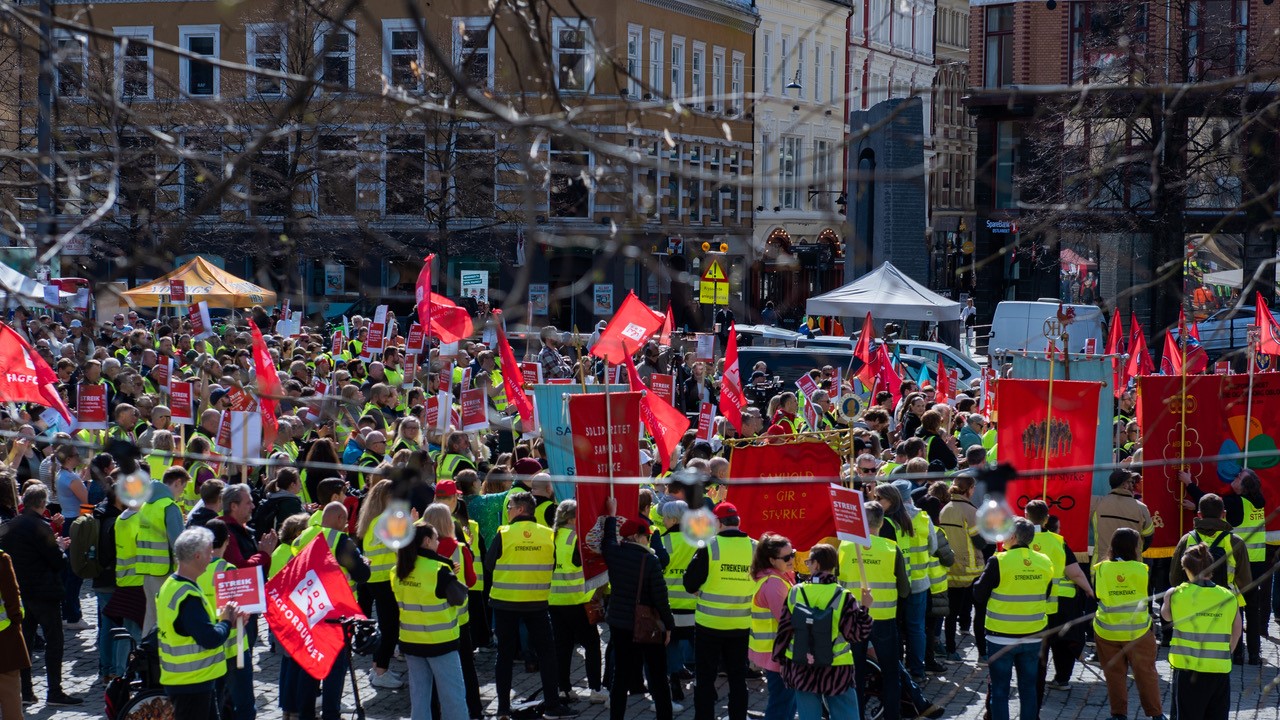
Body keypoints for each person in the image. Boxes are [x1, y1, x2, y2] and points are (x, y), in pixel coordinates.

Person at [839, 500, 941, 720]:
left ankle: (855, 715)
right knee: (890, 672)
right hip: (884, 618)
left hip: (854, 619)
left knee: (855, 672)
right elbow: (905, 588)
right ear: (882, 522)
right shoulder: (890, 548)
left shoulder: (845, 547)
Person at [484, 491, 572, 719]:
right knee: (546, 653)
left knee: (504, 655)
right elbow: (551, 566)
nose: (508, 510)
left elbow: (489, 565)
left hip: (505, 603)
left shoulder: (504, 533)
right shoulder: (547, 534)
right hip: (537, 603)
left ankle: (503, 708)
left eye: (510, 507)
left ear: (521, 509)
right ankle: (552, 705)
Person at [1, 483, 81, 706]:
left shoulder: (11, 525)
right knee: (54, 641)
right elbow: (56, 562)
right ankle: (54, 691)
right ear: (42, 503)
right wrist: (61, 550)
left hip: (22, 593)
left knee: (25, 643)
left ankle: (26, 692)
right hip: (45, 594)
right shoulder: (41, 527)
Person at [773, 543, 872, 719]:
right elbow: (856, 634)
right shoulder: (844, 595)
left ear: (817, 564)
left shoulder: (796, 592)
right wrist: (865, 608)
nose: (807, 565)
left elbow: (784, 631)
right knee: (846, 714)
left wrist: (781, 660)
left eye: (809, 561)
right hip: (837, 667)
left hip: (802, 664)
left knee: (808, 715)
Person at [1180, 467, 1266, 662]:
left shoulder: (1236, 502)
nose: (1234, 478)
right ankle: (1254, 654)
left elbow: (1210, 503)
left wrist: (1189, 483)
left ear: (1244, 487)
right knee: (1253, 608)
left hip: (1239, 563)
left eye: (1239, 477)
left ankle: (1236, 653)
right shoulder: (1257, 502)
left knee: (1236, 608)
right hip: (1258, 561)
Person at [157, 527, 243, 720]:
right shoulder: (188, 596)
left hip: (186, 680)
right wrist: (226, 622)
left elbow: (192, 627)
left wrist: (224, 623)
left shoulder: (172, 584)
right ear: (197, 556)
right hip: (192, 682)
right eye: (208, 552)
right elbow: (210, 638)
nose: (211, 556)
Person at [973, 518, 1054, 720]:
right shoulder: (1044, 561)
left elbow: (978, 595)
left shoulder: (998, 561)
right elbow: (1046, 592)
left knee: (999, 691)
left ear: (1013, 536)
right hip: (1033, 635)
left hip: (1001, 636)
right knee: (1028, 689)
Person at [600, 498, 674, 720]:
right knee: (659, 677)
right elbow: (661, 599)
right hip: (647, 627)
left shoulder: (613, 553)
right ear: (638, 537)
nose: (649, 539)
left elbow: (607, 539)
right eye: (647, 536)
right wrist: (668, 626)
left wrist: (611, 515)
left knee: (620, 678)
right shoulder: (650, 561)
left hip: (620, 624)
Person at [391, 521, 470, 720]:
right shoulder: (438, 570)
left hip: (411, 642)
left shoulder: (399, 570)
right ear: (426, 541)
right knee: (453, 698)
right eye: (436, 539)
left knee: (419, 698)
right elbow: (459, 597)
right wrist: (452, 573)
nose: (438, 543)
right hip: (440, 642)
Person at [684, 502, 755, 720]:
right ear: (738, 522)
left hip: (710, 625)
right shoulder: (756, 547)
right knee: (737, 678)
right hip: (741, 625)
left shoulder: (709, 545)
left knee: (705, 678)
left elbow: (689, 583)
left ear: (718, 522)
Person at [1161, 543, 1241, 720]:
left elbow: (1166, 617)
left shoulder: (1176, 594)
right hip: (1219, 669)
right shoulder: (1228, 596)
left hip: (1188, 670)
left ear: (1187, 569)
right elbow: (1237, 629)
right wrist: (1228, 652)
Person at [1093, 528, 1164, 720]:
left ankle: (1118, 714)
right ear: (1135, 547)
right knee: (1146, 674)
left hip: (1107, 630)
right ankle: (1156, 714)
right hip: (1138, 631)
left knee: (1114, 675)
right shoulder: (1142, 569)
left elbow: (1098, 595)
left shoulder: (1100, 569)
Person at [1023, 499, 1093, 695]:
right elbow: (1075, 572)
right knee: (1062, 643)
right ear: (1046, 518)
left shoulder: (1017, 539)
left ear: (1025, 515)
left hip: (1032, 602)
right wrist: (1089, 590)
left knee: (1038, 643)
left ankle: (1036, 680)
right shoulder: (1057, 541)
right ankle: (1062, 679)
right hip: (1063, 602)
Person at [547, 500, 604, 705]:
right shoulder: (578, 539)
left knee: (562, 646)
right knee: (592, 645)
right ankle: (596, 689)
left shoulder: (550, 536)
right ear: (572, 519)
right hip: (578, 601)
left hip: (554, 600)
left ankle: (563, 689)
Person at [875, 482, 933, 681]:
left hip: (900, 584)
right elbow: (932, 547)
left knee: (899, 628)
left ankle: (901, 669)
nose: (875, 501)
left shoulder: (888, 523)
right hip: (919, 581)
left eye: (878, 498)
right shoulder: (920, 518)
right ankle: (918, 669)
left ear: (891, 500)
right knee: (916, 628)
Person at [355, 479, 402, 689]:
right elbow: (401, 546)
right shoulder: (385, 519)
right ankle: (381, 671)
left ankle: (377, 668)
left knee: (387, 625)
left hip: (377, 579)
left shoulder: (373, 520)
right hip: (385, 580)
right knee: (390, 628)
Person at [939, 475, 989, 660]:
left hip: (951, 568)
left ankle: (951, 650)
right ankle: (983, 653)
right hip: (972, 569)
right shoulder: (971, 511)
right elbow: (979, 542)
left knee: (951, 614)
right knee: (980, 612)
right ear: (969, 489)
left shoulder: (945, 509)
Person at [138, 466, 190, 634]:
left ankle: (145, 654)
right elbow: (178, 543)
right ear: (177, 482)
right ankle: (160, 656)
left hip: (147, 568)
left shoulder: (146, 504)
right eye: (182, 487)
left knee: (150, 615)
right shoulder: (169, 506)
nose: (182, 493)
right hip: (164, 571)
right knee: (165, 617)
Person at [748, 533, 795, 720]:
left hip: (774, 650)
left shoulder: (774, 577)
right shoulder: (773, 584)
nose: (792, 559)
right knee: (782, 704)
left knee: (784, 702)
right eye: (786, 557)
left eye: (793, 554)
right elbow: (787, 619)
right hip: (779, 653)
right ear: (771, 560)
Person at [0, 538, 28, 719]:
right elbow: (12, 596)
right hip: (3, 637)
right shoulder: (1, 559)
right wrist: (17, 620)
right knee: (9, 692)